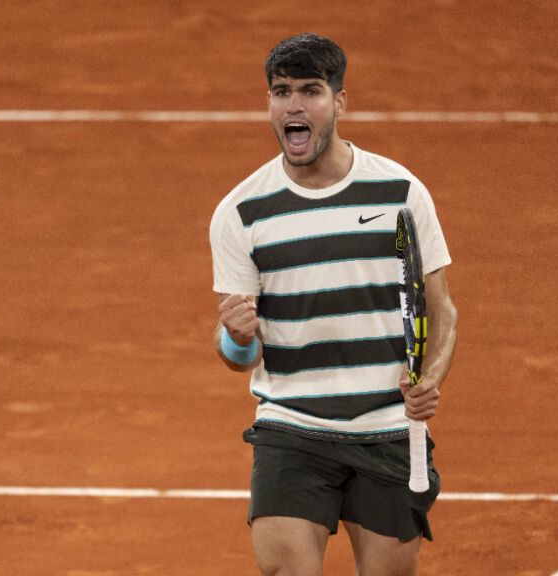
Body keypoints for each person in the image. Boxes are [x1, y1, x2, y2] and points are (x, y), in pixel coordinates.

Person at [208, 32, 458, 576]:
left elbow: (440, 309)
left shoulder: (400, 193)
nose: (293, 105)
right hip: (291, 428)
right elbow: (236, 354)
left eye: (311, 91)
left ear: (339, 102)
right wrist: (237, 337)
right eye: (281, 92)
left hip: (387, 428)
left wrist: (429, 379)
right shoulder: (241, 212)